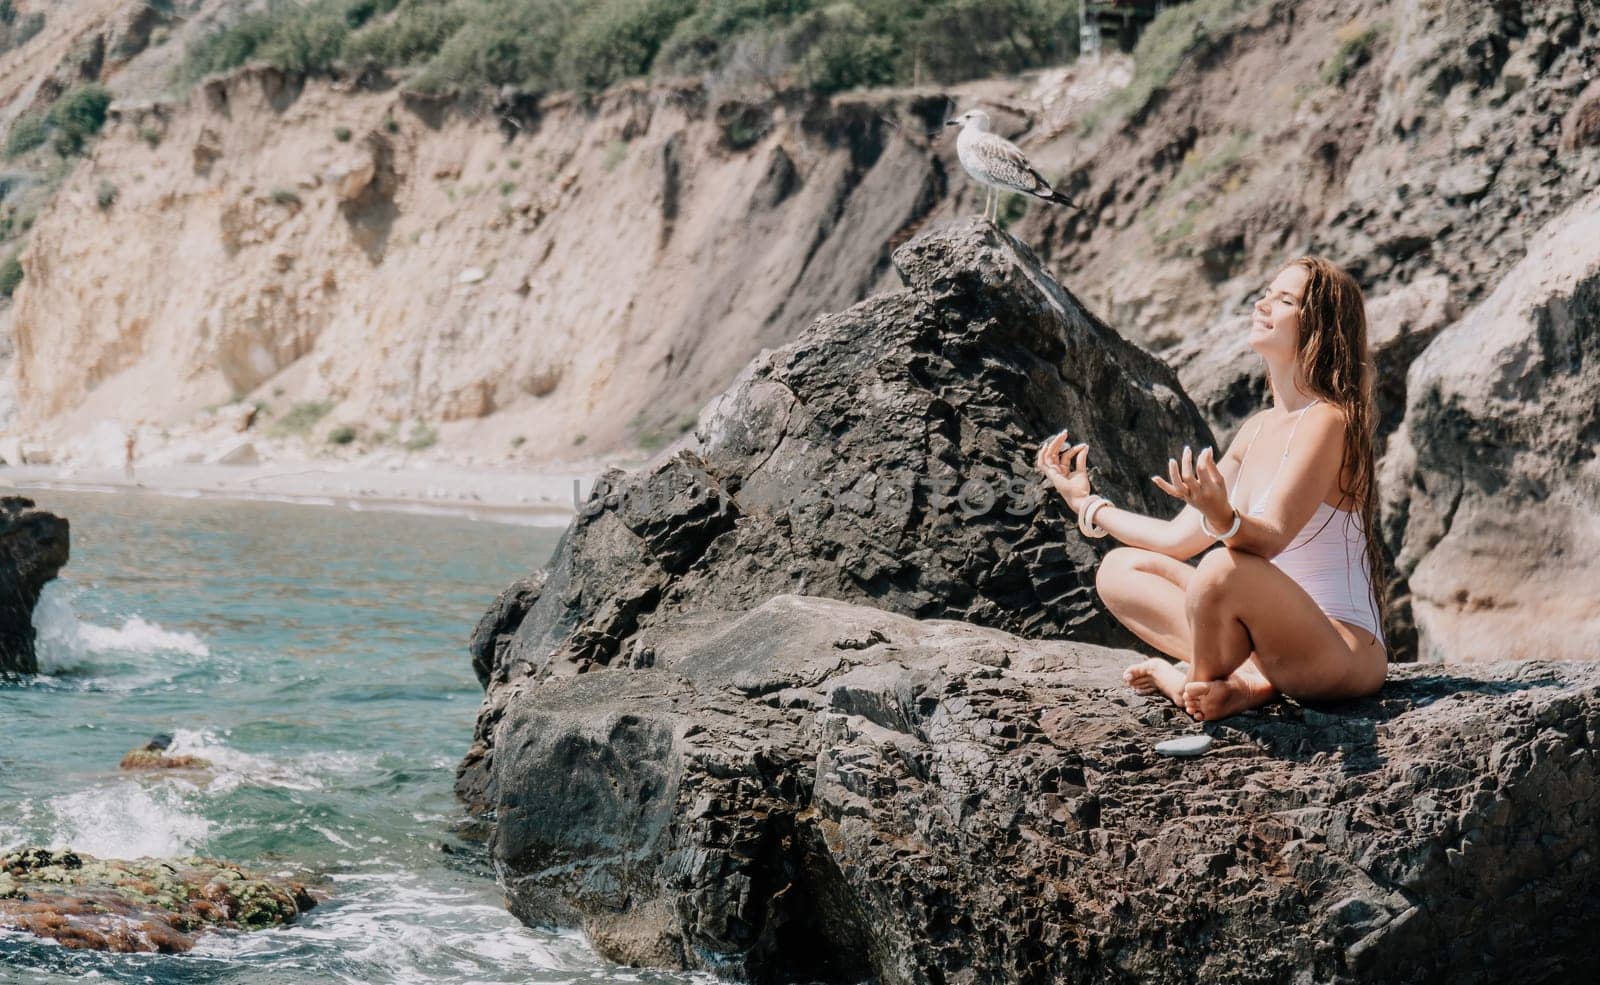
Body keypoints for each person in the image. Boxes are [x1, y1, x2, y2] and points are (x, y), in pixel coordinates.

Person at [1035, 256, 1388, 722]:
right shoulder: (1257, 429)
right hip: (1274, 643)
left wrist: (1223, 516)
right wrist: (1086, 503)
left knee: (1223, 567)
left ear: (1320, 328)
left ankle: (1194, 683)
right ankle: (1247, 683)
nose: (1263, 304)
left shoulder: (1328, 420)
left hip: (1338, 650)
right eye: (1266, 292)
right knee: (1120, 568)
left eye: (1285, 300)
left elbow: (1271, 537)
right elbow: (1175, 540)